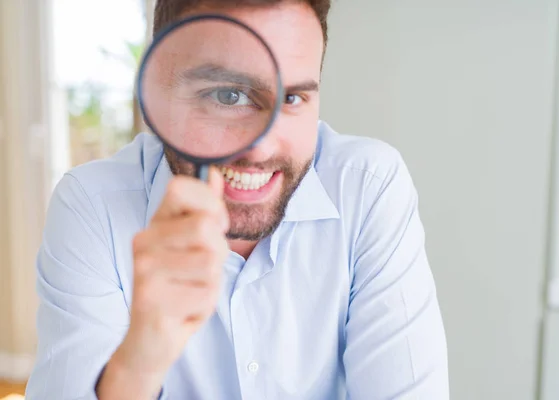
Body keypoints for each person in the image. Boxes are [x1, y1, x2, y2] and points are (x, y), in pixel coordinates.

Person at [25, 0, 449, 399]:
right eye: (229, 96)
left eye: (291, 98)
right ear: (157, 87)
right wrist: (141, 359)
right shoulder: (93, 206)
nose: (262, 148)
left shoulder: (368, 187)